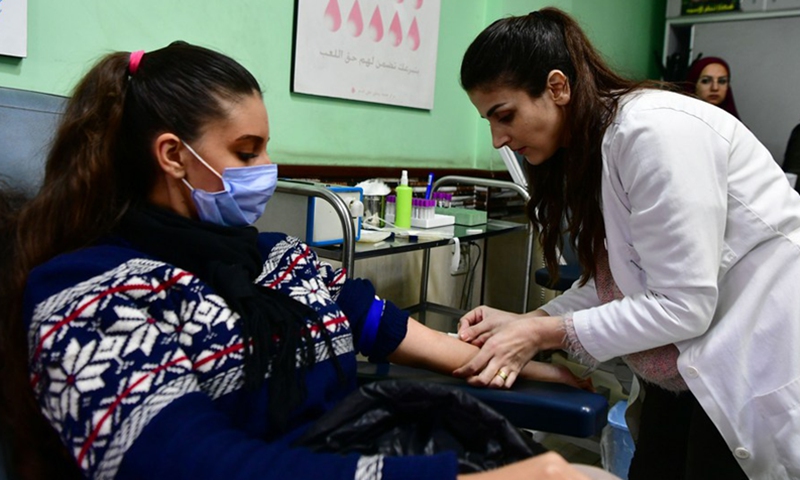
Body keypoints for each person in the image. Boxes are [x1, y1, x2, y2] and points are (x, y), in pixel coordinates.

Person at [0, 41, 615, 480]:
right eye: (246, 151)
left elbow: (379, 322)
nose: (268, 169)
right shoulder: (91, 295)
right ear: (172, 155)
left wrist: (511, 358)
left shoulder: (273, 258)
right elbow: (184, 463)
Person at [454, 8, 800, 480]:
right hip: (689, 368)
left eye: (505, 115)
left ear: (557, 87)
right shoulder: (595, 149)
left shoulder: (653, 133)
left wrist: (538, 335)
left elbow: (682, 305)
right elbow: (618, 283)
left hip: (747, 359)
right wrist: (527, 321)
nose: (497, 139)